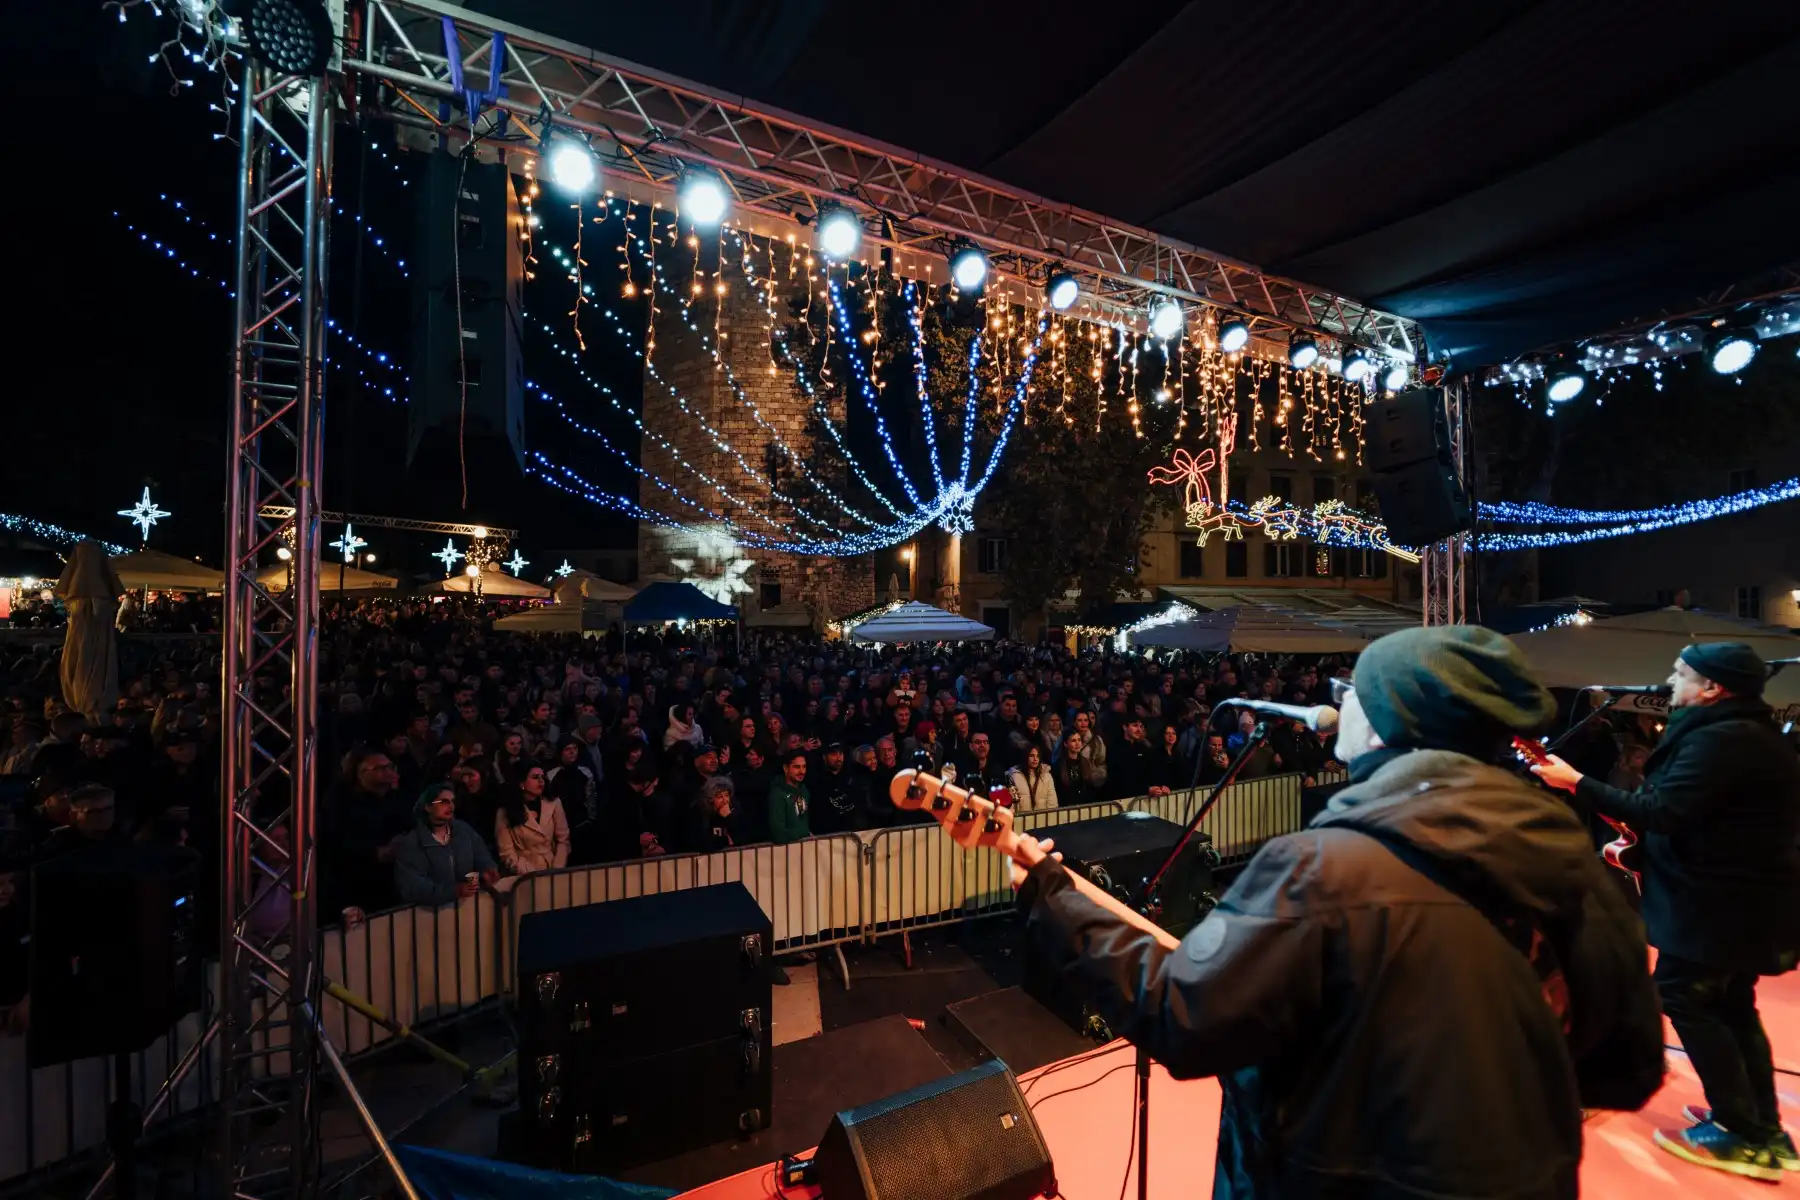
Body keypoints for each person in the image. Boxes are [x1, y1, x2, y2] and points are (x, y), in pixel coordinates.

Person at [1009, 626, 1665, 1199]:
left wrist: (1050, 895)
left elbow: (1182, 1014)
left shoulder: (1322, 868)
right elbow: (1628, 1069)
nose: (1337, 703)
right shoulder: (1569, 863)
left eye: (1353, 693)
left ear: (1385, 723)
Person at [1533, 642, 1800, 1178]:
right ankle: (1759, 1126)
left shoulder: (1723, 739)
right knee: (1730, 1006)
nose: (1670, 680)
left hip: (1715, 906)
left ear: (1712, 688)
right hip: (1737, 902)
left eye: (1682, 673)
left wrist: (1577, 784)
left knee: (1691, 999)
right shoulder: (1744, 732)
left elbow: (1663, 811)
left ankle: (1742, 1132)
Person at [393, 783, 499, 906]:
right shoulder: (413, 842)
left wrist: (487, 867)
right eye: (444, 802)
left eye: (452, 801)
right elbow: (412, 885)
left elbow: (480, 852)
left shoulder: (462, 830)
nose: (450, 806)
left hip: (467, 906)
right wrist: (453, 891)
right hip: (431, 914)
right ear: (428, 807)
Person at [493, 765, 571, 876]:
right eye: (535, 777)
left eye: (542, 777)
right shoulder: (505, 811)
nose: (541, 781)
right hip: (523, 874)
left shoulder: (554, 803)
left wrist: (557, 869)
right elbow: (507, 853)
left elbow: (563, 840)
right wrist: (528, 873)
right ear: (522, 783)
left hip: (552, 870)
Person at [767, 748, 812, 844]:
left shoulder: (804, 790)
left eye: (804, 767)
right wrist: (804, 833)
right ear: (786, 768)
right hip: (785, 853)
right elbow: (778, 834)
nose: (802, 771)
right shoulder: (777, 796)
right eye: (797, 767)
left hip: (805, 849)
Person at [1007, 744, 1057, 810]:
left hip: (1042, 818)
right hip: (1022, 818)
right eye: (1032, 756)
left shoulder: (1047, 776)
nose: (1035, 759)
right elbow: (1013, 805)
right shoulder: (1015, 776)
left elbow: (1052, 803)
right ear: (1026, 757)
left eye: (1037, 756)